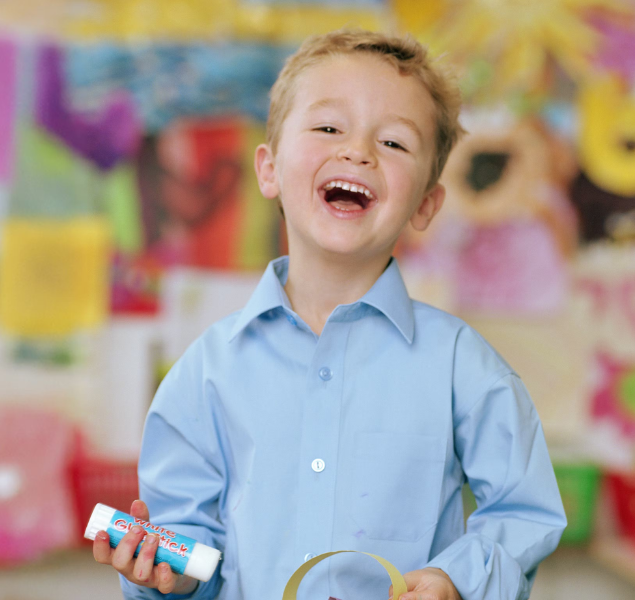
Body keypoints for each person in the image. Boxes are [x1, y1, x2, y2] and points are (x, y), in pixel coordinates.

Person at [92, 28, 566, 600]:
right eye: (327, 127)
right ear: (268, 170)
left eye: (393, 143)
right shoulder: (205, 373)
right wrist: (166, 577)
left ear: (425, 204)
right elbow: (192, 548)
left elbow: (525, 513)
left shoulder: (463, 365)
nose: (358, 151)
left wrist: (455, 578)